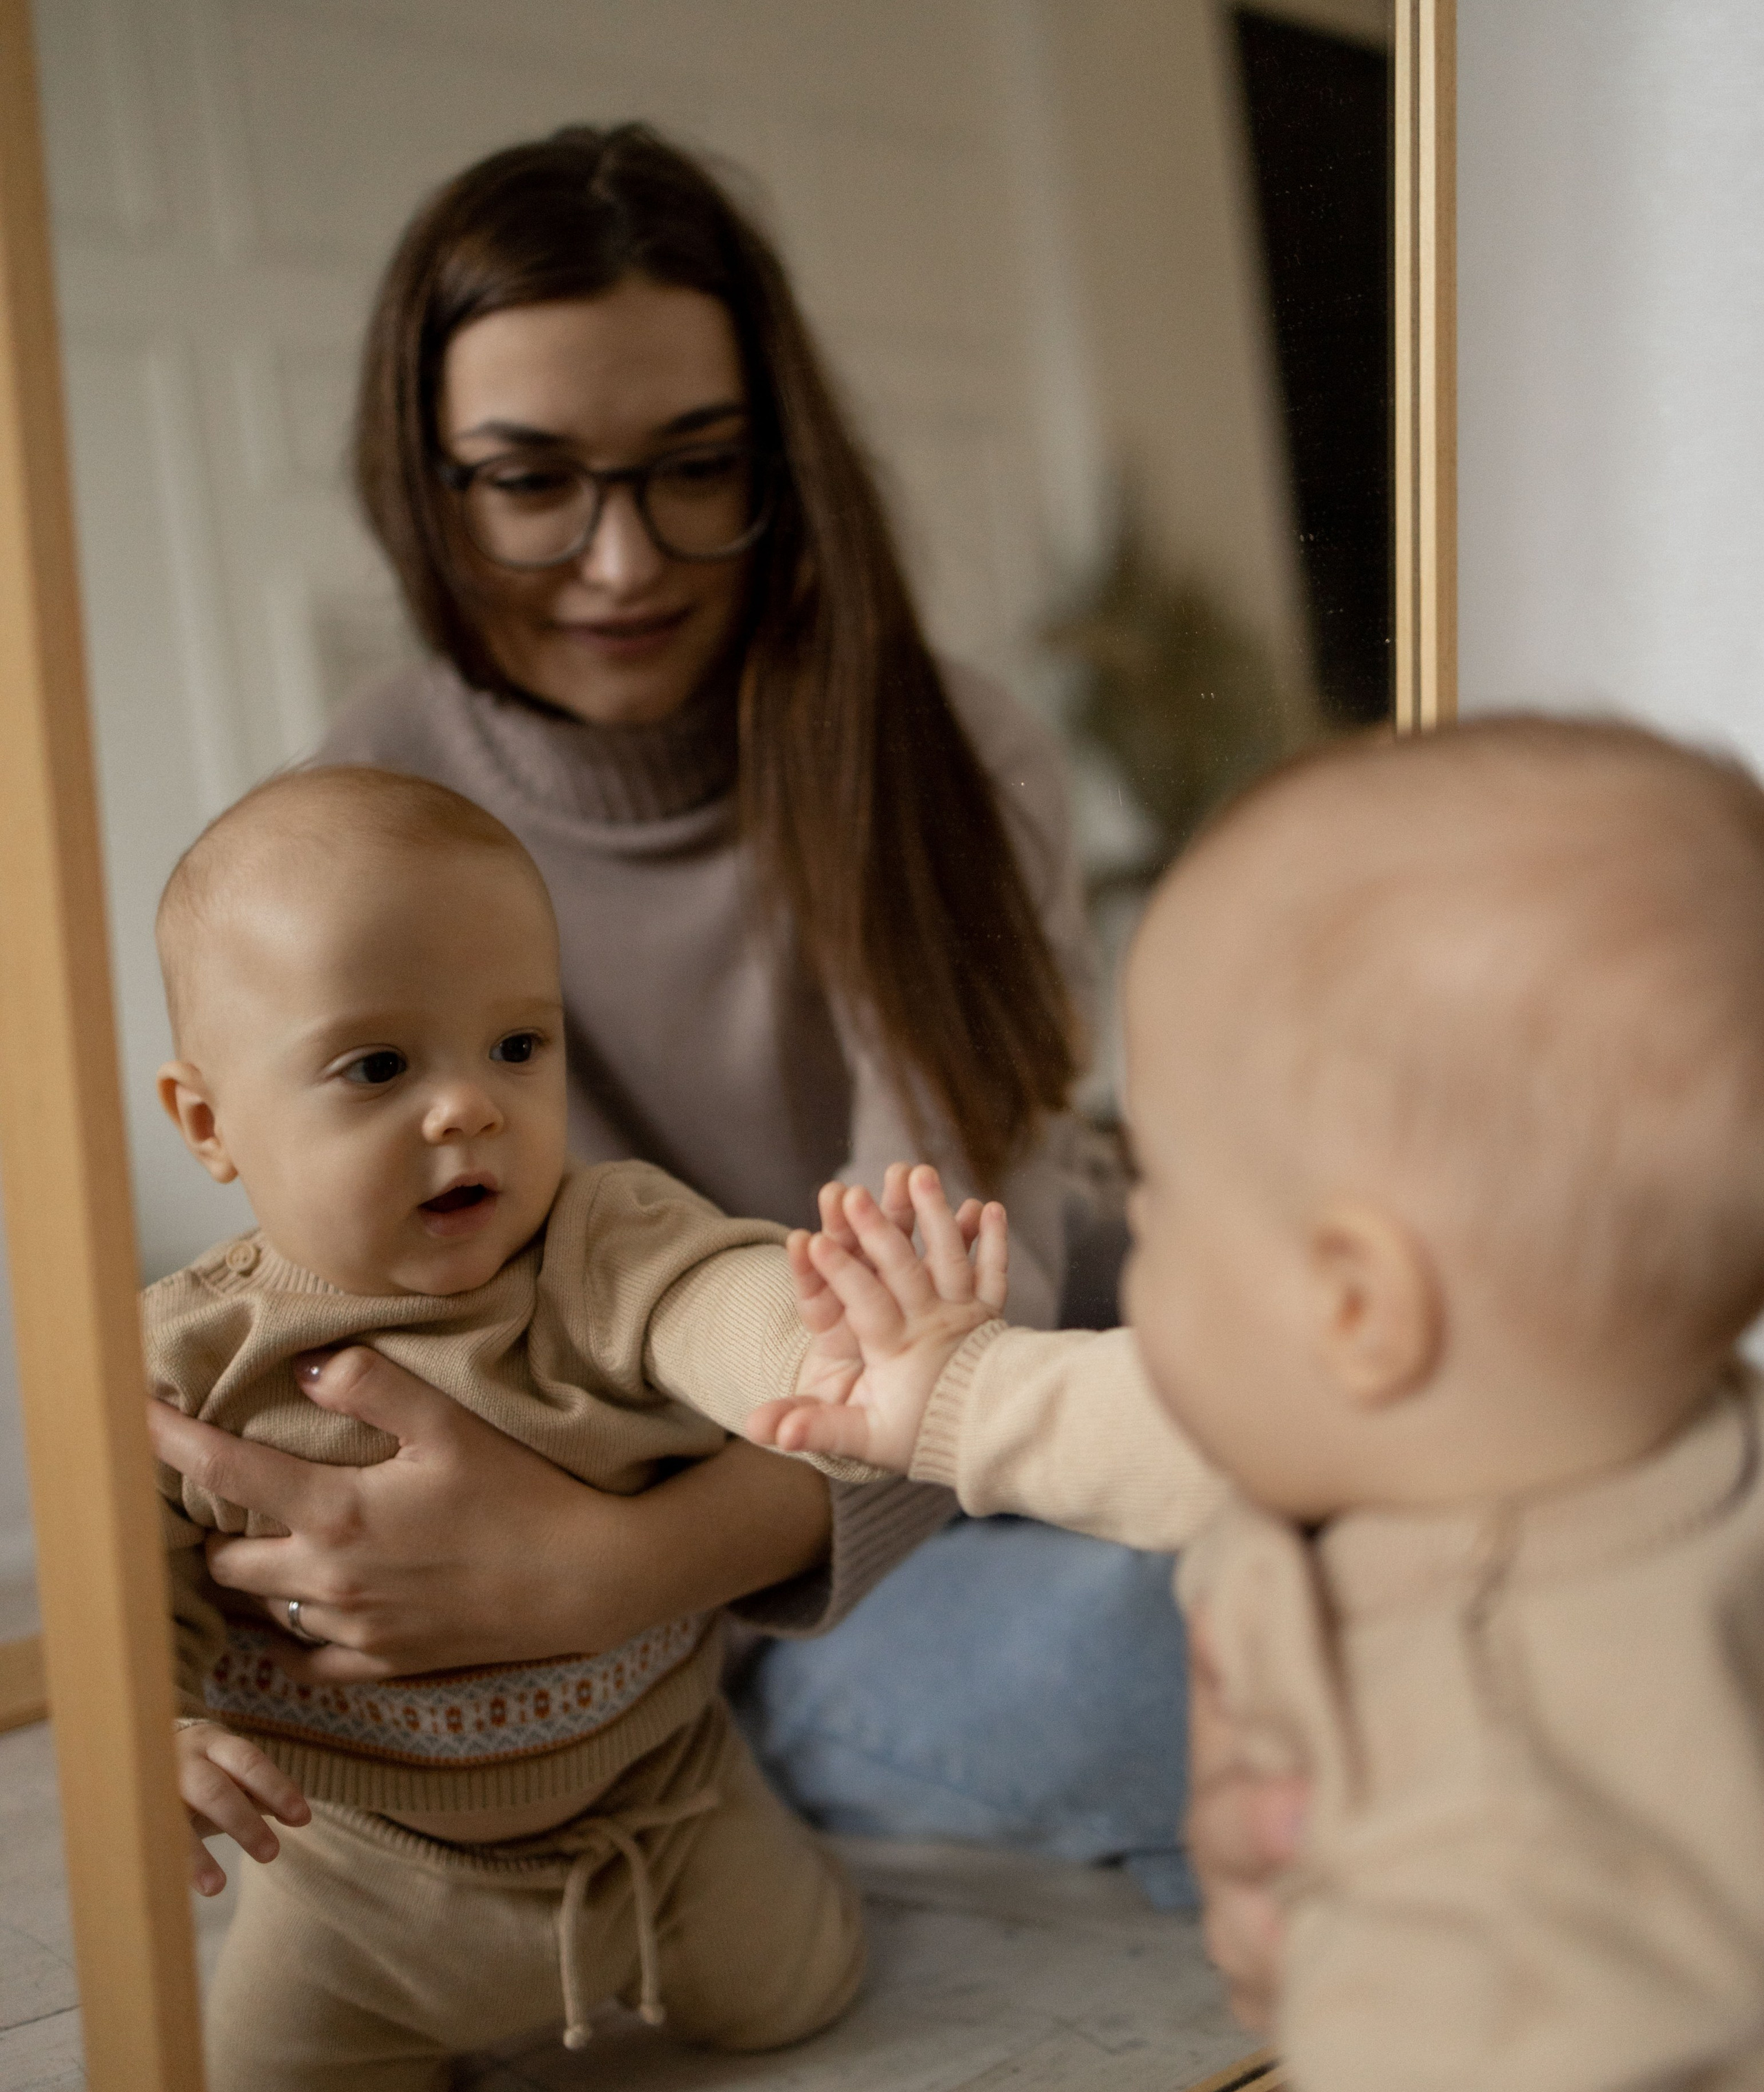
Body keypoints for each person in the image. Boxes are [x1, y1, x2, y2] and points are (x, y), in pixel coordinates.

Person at [146, 121, 1195, 1898]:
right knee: (1187, 1663)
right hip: (707, 1568)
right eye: (531, 479)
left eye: (693, 467)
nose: (621, 562)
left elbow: (957, 1306)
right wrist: (597, 1587)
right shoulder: (369, 793)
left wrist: (598, 1574)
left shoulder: (945, 744)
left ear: (778, 457)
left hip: (946, 1432)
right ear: (427, 481)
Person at [752, 717, 1764, 2092]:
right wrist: (944, 1397)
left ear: (1354, 1303)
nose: (1137, 1247)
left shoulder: (1510, 1793)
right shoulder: (1585, 1421)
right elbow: (1202, 1430)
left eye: (1160, 1207)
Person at [150, 763, 884, 2092]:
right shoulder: (187, 1369)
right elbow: (132, 1601)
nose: (467, 1111)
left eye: (516, 1048)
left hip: (670, 1807)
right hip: (362, 1876)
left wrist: (818, 1337)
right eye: (378, 1067)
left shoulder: (597, 1241)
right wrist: (156, 1738)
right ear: (207, 1123)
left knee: (805, 1996)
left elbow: (715, 1304)